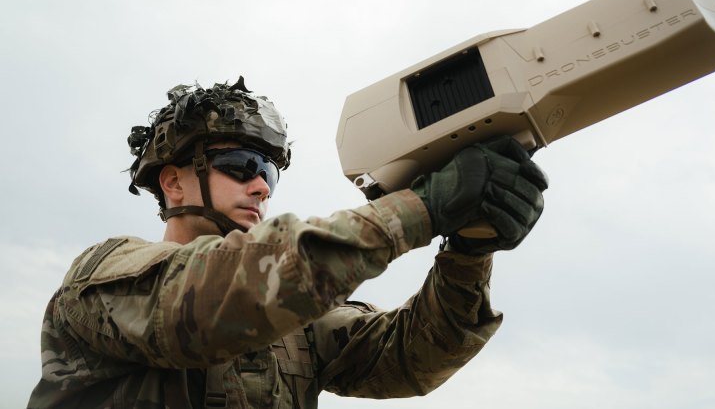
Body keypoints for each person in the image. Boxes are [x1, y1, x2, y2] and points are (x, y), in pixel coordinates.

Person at [28, 76, 548, 408]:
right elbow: (218, 298)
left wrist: (468, 252)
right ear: (173, 182)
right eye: (242, 166)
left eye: (269, 175)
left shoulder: (295, 319)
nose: (260, 185)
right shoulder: (104, 277)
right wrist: (420, 207)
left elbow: (408, 359)